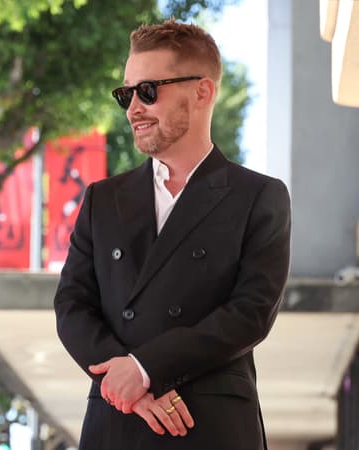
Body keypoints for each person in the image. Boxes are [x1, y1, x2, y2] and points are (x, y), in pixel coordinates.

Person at [54, 20, 291, 450]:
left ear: (202, 92)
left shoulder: (258, 196)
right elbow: (72, 305)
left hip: (210, 424)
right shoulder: (102, 200)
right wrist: (128, 383)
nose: (133, 109)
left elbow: (251, 312)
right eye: (126, 94)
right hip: (117, 421)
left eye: (148, 91)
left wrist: (145, 368)